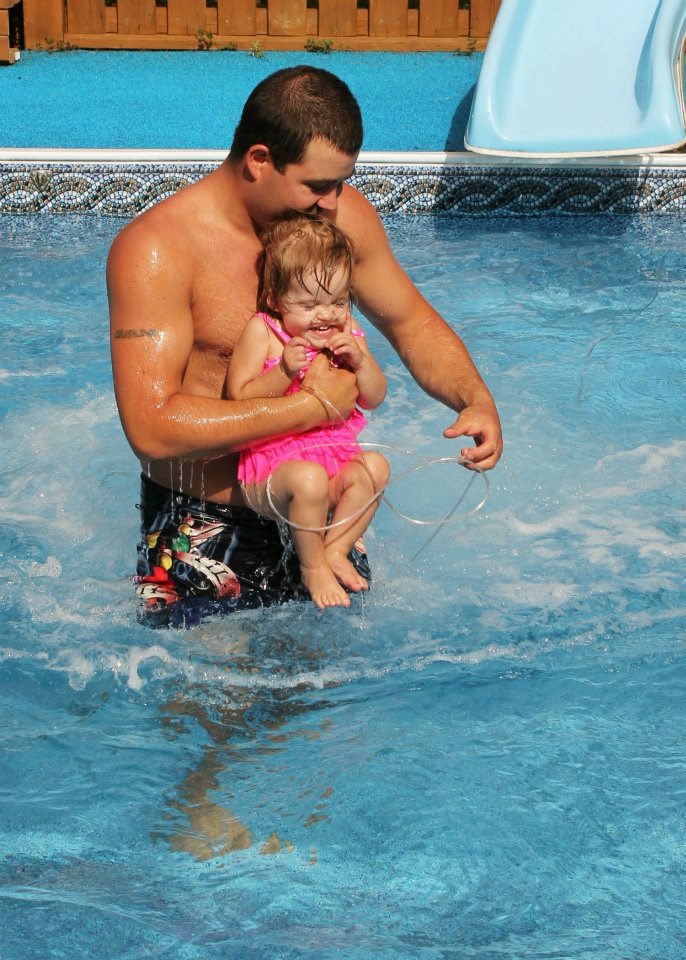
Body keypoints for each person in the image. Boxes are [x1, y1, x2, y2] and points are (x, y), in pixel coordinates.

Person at [107, 65, 503, 627]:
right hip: (206, 522)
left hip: (326, 519)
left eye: (340, 182)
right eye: (317, 185)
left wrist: (474, 397)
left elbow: (411, 321)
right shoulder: (157, 250)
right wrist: (309, 406)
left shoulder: (337, 219)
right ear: (260, 160)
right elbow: (150, 426)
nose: (333, 201)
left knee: (324, 706)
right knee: (211, 708)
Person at [227, 211, 389, 610]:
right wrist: (282, 372)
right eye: (310, 304)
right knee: (311, 481)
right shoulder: (265, 333)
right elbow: (239, 397)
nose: (327, 314)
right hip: (272, 467)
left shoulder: (347, 333)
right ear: (275, 299)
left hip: (334, 460)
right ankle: (313, 566)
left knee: (376, 469)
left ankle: (336, 548)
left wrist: (363, 363)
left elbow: (374, 397)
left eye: (338, 301)